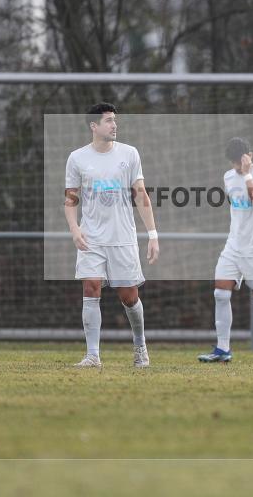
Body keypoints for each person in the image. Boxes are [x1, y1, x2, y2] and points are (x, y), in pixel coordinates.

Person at [64, 102, 160, 368]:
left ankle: (140, 347)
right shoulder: (77, 158)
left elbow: (141, 195)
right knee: (90, 288)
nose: (114, 125)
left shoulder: (129, 154)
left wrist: (152, 234)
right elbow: (70, 199)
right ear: (94, 126)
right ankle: (92, 355)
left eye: (114, 120)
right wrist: (75, 229)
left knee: (128, 296)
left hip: (122, 237)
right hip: (91, 237)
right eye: (108, 120)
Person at [198, 138, 253, 365]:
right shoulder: (228, 176)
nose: (236, 166)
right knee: (220, 293)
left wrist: (246, 175)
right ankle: (223, 349)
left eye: (240, 161)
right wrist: (238, 173)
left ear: (249, 155)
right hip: (233, 245)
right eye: (233, 163)